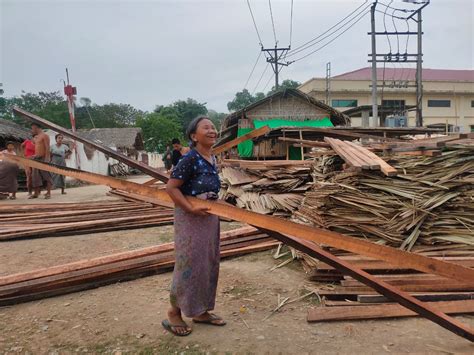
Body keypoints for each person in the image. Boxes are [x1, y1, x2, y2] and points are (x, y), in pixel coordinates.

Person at [163, 116, 225, 336]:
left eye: (213, 127)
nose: (212, 130)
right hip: (190, 219)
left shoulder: (212, 158)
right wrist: (190, 209)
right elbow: (171, 188)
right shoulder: (189, 159)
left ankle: (200, 311)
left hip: (209, 218)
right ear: (193, 136)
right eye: (205, 128)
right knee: (188, 264)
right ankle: (174, 312)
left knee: (207, 263)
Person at [30, 123, 52, 199]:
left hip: (43, 159)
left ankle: (48, 192)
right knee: (35, 176)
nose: (32, 130)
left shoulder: (45, 136)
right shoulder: (36, 137)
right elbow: (38, 149)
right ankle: (36, 193)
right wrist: (34, 155)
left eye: (32, 129)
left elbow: (47, 148)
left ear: (36, 127)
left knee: (46, 176)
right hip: (36, 159)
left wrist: (47, 159)